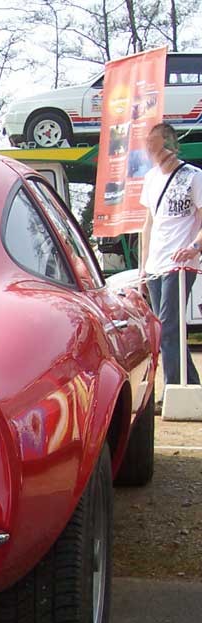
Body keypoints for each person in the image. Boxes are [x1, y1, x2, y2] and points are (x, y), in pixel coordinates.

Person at [138, 122, 202, 410]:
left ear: (168, 143)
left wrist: (194, 247)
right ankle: (191, 387)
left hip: (180, 263)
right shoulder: (151, 179)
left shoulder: (193, 176)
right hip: (155, 263)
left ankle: (173, 388)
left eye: (153, 142)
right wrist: (143, 267)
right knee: (165, 329)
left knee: (168, 326)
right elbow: (148, 225)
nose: (148, 148)